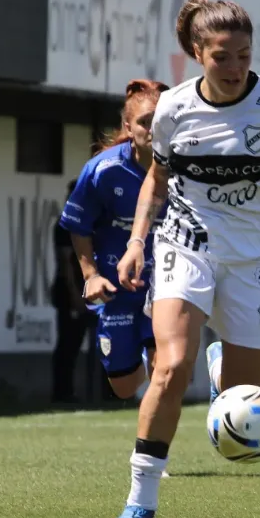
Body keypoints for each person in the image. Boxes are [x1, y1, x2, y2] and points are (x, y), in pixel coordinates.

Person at [109, 0, 260, 518]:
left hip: (259, 254)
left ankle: (222, 375)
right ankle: (140, 501)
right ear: (196, 52)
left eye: (244, 55)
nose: (235, 68)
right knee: (170, 365)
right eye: (221, 57)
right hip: (186, 243)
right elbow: (158, 179)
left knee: (240, 403)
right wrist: (139, 239)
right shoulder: (173, 109)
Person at [59, 79, 169, 410]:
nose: (153, 129)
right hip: (117, 289)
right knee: (123, 387)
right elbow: (78, 226)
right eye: (145, 122)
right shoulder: (102, 171)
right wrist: (90, 274)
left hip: (165, 285)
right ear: (127, 126)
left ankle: (154, 445)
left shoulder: (186, 168)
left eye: (160, 121)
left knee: (164, 369)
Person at [50, 179, 93, 403]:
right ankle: (62, 392)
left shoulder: (89, 221)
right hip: (70, 292)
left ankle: (102, 393)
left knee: (95, 344)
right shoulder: (65, 225)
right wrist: (75, 294)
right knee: (68, 344)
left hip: (89, 290)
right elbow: (65, 262)